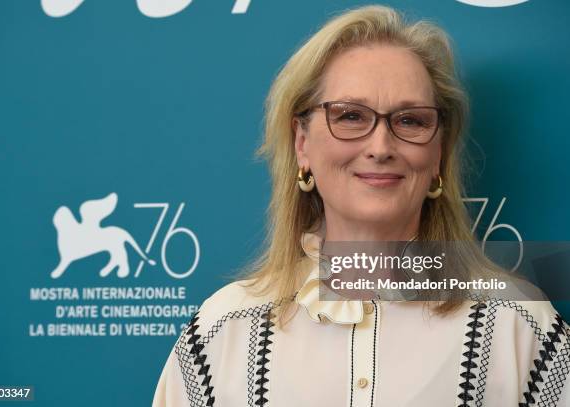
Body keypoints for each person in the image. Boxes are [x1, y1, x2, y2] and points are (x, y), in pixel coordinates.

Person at [152, 5, 570, 406]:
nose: (380, 146)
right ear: (302, 144)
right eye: (350, 116)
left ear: (439, 152)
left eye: (410, 120)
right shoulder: (223, 329)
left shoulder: (517, 326)